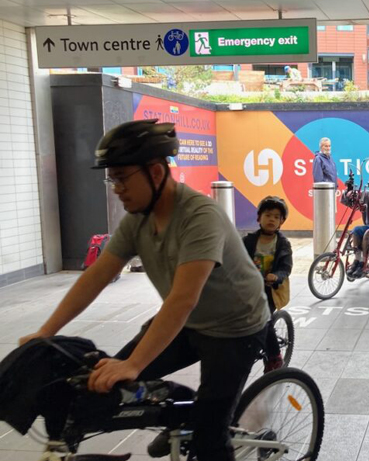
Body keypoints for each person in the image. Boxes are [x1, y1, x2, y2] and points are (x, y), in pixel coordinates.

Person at [19, 119, 271, 461]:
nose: (116, 188)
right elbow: (96, 276)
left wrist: (134, 363)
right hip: (188, 322)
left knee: (210, 439)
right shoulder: (137, 218)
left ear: (155, 173)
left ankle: (199, 427)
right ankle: (180, 418)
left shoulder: (200, 216)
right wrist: (45, 333)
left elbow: (183, 299)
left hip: (236, 329)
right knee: (111, 387)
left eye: (122, 177)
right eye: (113, 179)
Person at [243, 196, 293, 373]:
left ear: (281, 222)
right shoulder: (248, 241)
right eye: (268, 215)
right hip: (249, 287)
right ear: (259, 218)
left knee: (264, 318)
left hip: (270, 290)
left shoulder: (283, 244)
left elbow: (286, 267)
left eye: (276, 217)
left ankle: (275, 357)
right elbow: (237, 260)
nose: (271, 219)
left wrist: (276, 276)